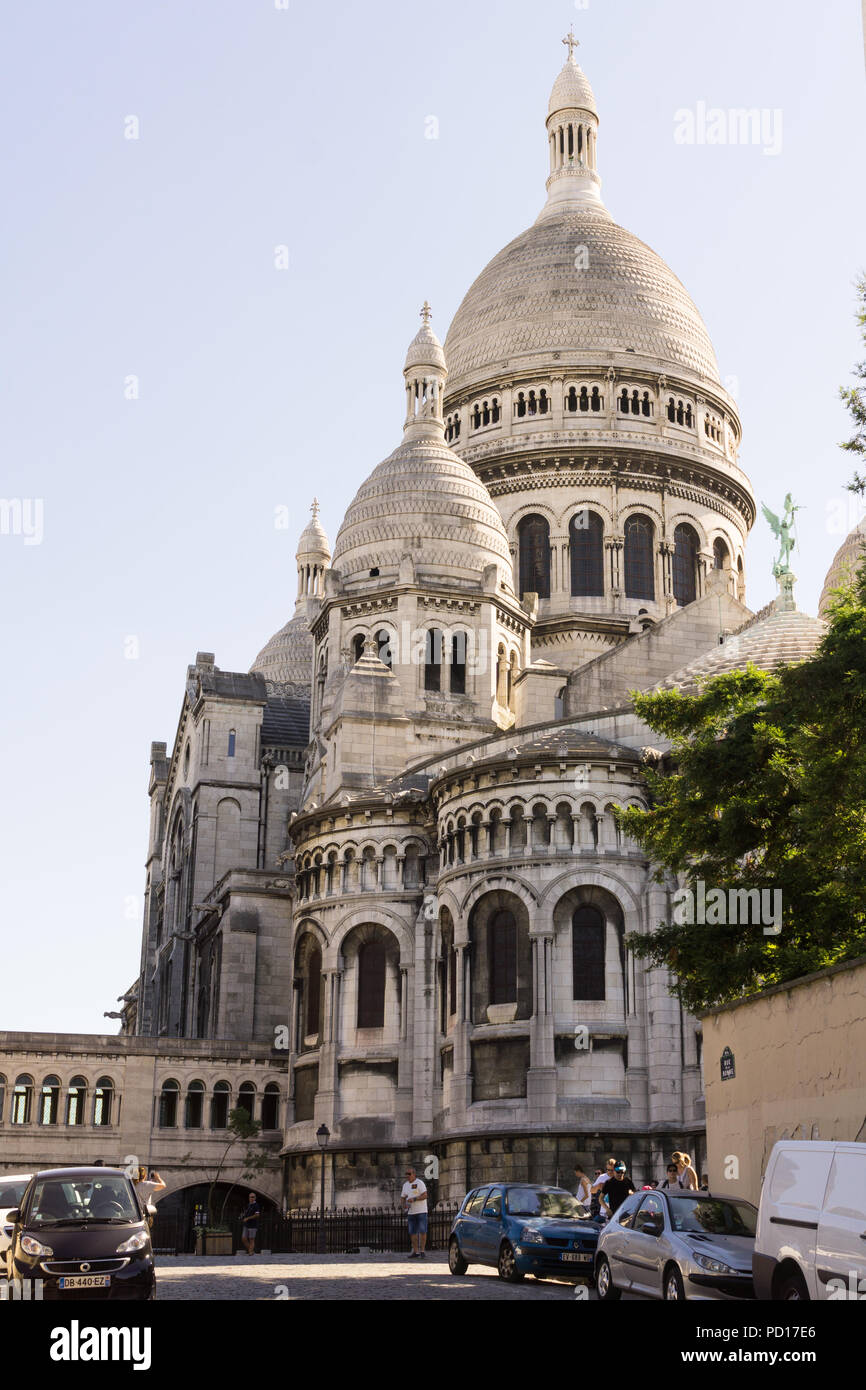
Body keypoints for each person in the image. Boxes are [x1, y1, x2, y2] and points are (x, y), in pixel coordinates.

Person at [401, 1166, 428, 1259]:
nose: (407, 1176)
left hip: (421, 1211)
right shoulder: (405, 1185)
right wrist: (403, 1205)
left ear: (414, 1174)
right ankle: (416, 1251)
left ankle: (422, 1251)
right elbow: (403, 1197)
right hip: (411, 1212)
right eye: (406, 1174)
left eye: (409, 1174)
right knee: (412, 1232)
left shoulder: (420, 1183)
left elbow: (425, 1195)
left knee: (423, 1231)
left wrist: (415, 1199)